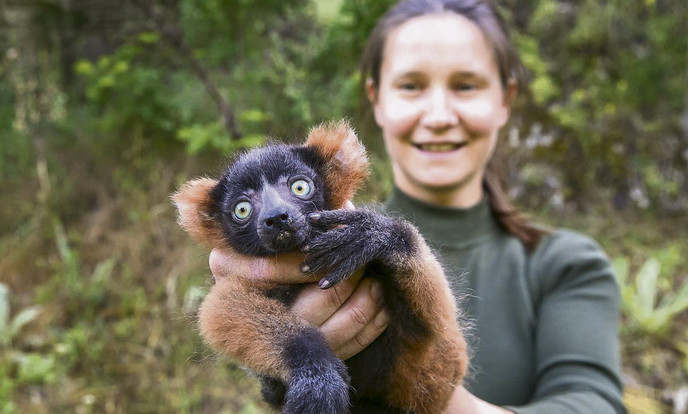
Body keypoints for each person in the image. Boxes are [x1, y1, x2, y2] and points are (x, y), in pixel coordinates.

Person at [208, 0, 626, 412]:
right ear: (376, 99)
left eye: (466, 85)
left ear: (506, 99)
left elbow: (594, 404)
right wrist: (285, 355)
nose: (439, 115)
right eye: (411, 86)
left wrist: (440, 398)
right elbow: (228, 319)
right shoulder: (273, 250)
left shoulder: (569, 264)